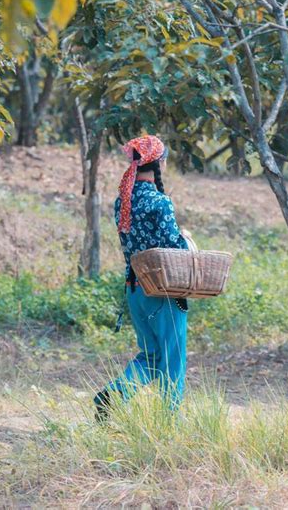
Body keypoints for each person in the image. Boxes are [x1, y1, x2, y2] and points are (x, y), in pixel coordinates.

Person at [94, 135, 189, 420]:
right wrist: (185, 238)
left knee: (151, 355)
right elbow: (177, 250)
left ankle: (113, 395)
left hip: (135, 287)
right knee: (173, 356)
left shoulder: (121, 201)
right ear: (159, 162)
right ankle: (171, 419)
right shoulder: (161, 202)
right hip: (164, 290)